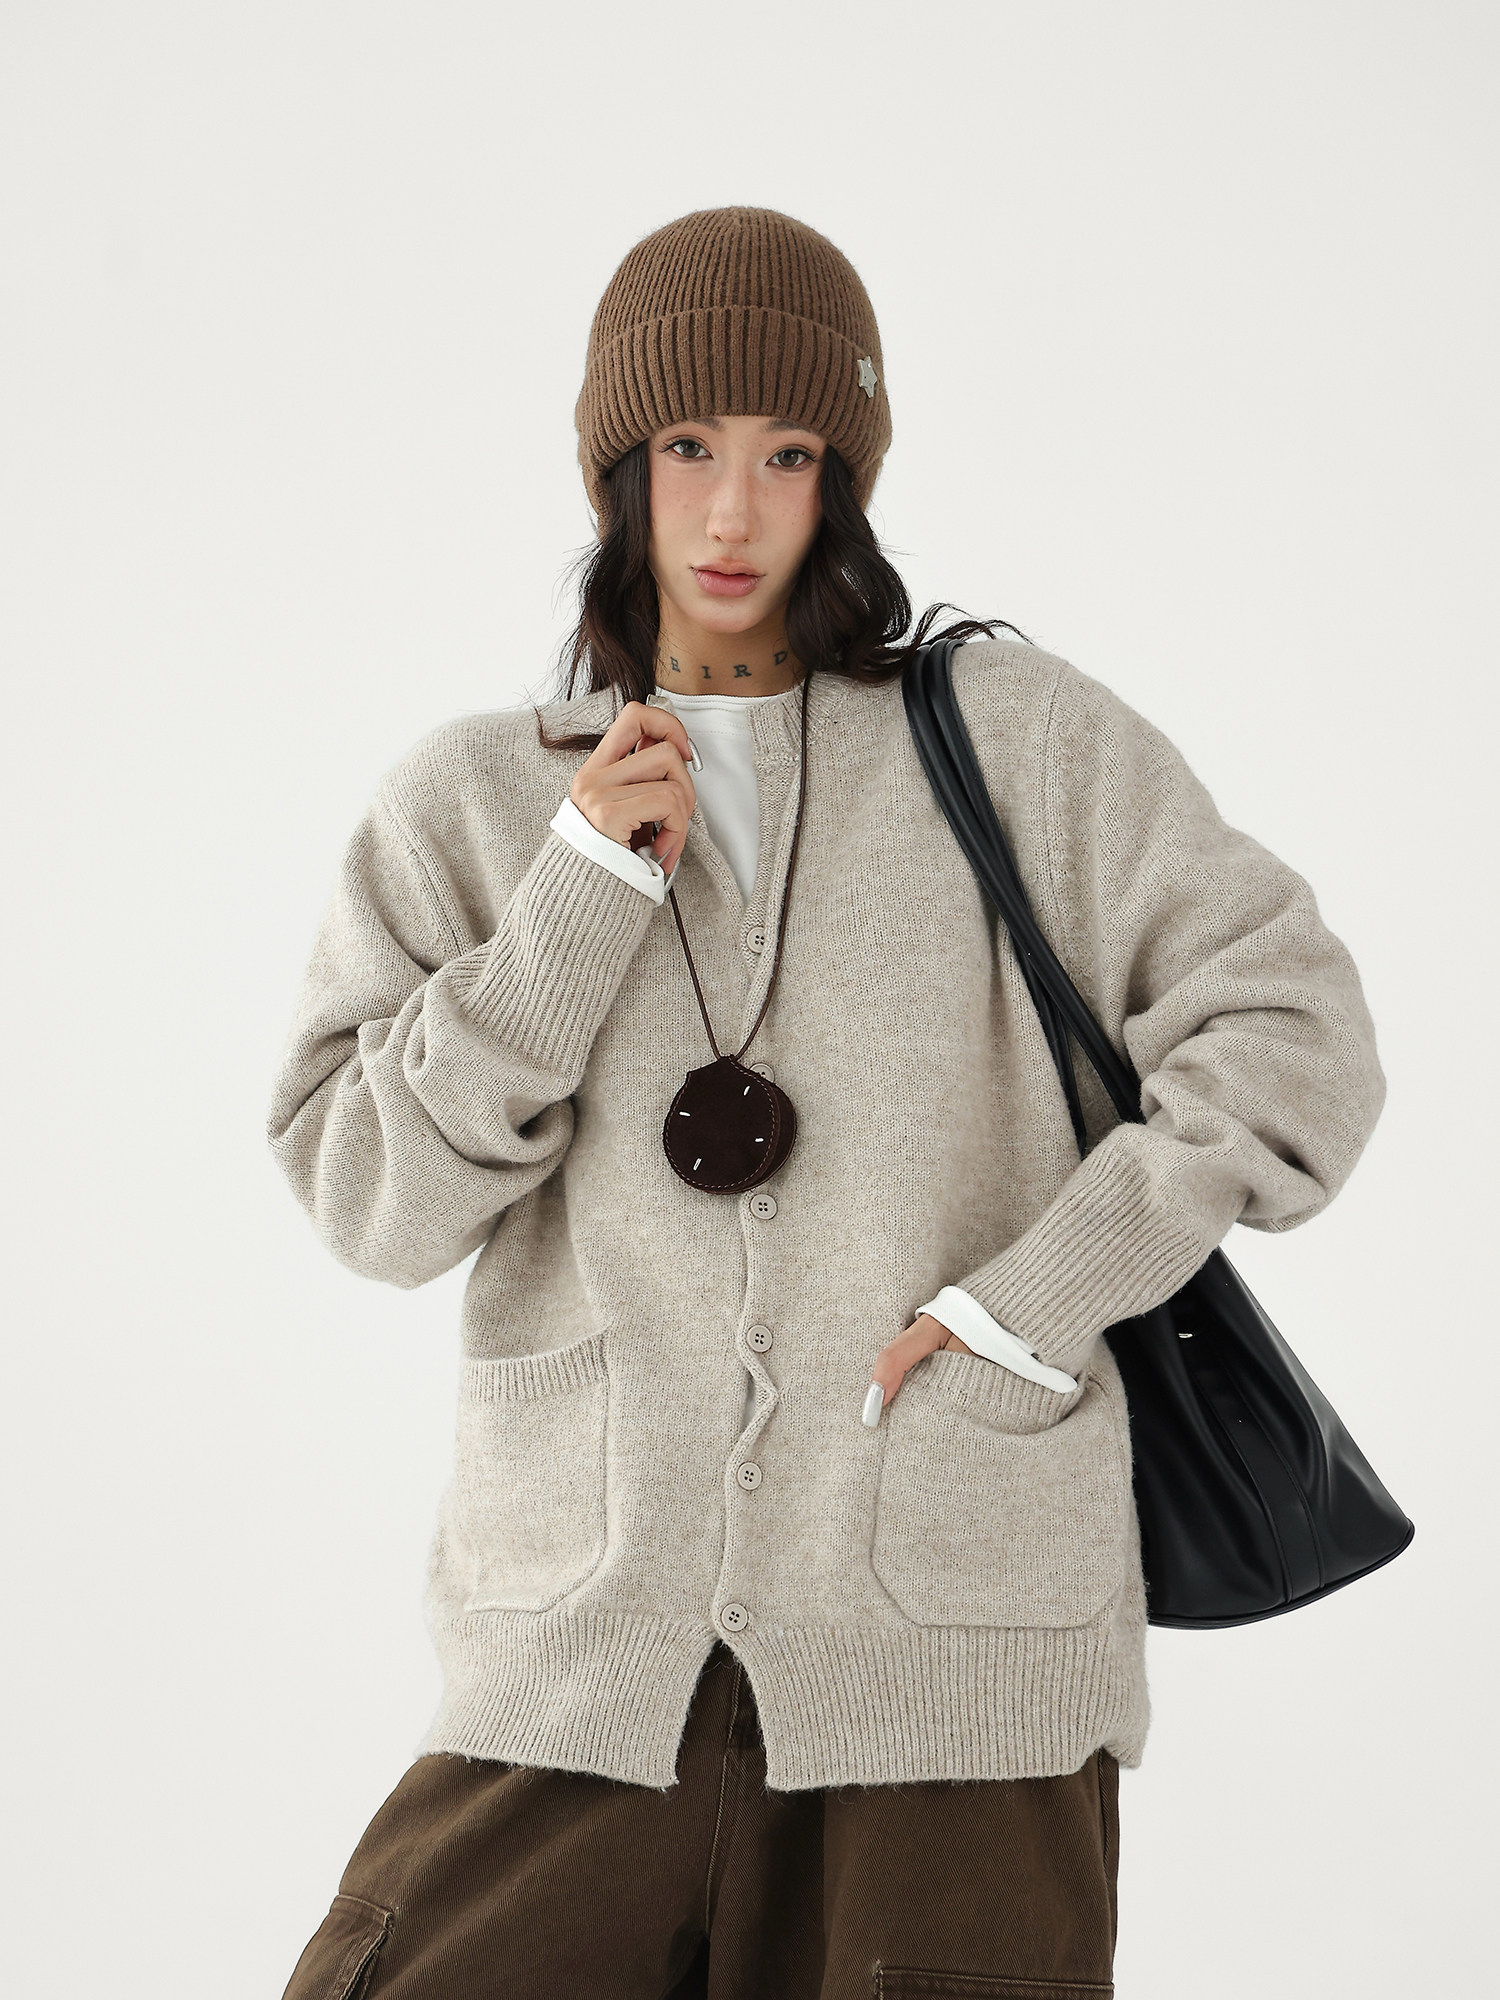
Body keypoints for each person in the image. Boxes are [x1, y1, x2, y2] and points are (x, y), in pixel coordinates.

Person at [270, 206, 1385, 1999]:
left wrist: (1030, 1307)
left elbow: (1295, 1031)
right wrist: (574, 900)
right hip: (585, 1660)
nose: (732, 513)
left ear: (846, 477)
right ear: (615, 469)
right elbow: (366, 1199)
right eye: (687, 450)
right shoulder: (475, 802)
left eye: (788, 455)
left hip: (959, 1663)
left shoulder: (1016, 746)